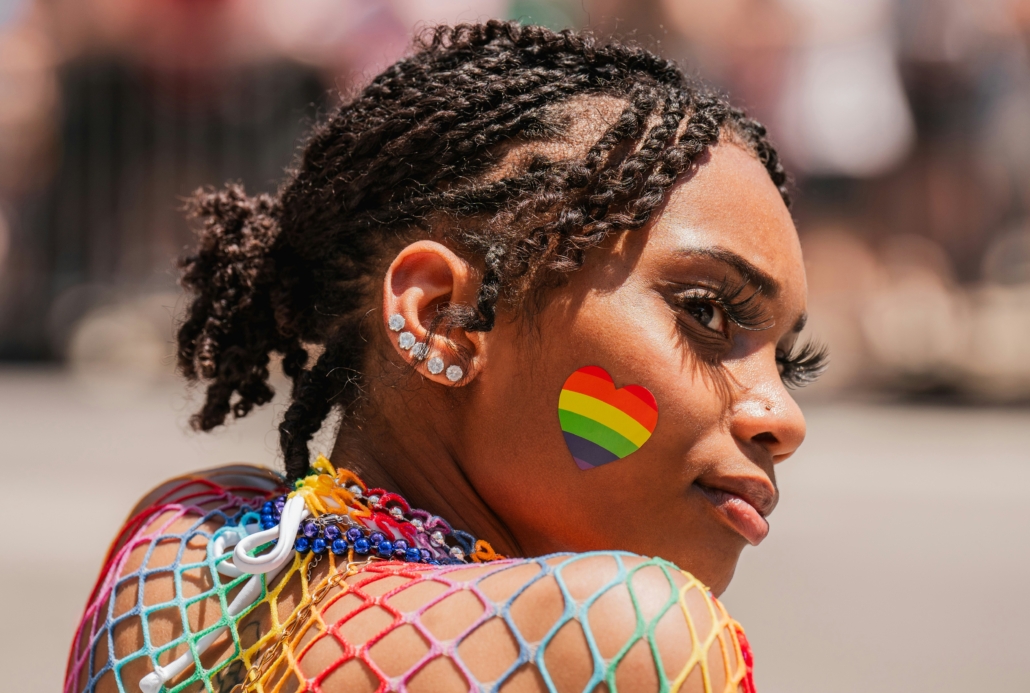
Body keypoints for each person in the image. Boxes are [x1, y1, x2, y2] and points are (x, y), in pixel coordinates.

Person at [65, 20, 826, 693]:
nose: (781, 418)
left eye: (787, 364)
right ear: (444, 318)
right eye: (706, 313)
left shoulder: (181, 552)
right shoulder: (622, 635)